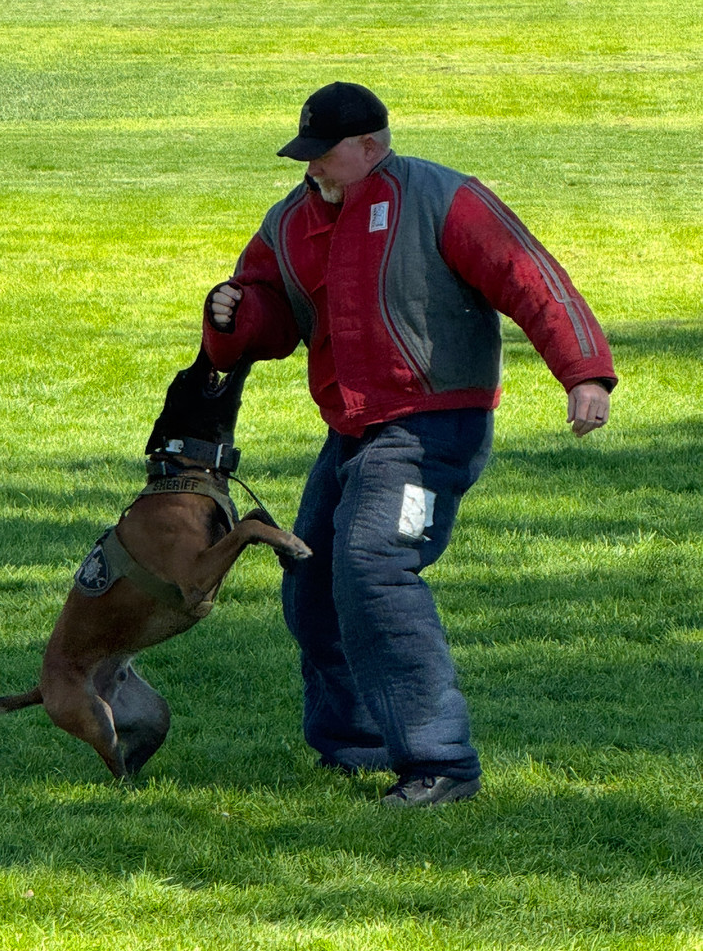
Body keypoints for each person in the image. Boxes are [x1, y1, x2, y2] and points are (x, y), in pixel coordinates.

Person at [201, 81, 617, 807]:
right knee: (311, 576)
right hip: (353, 427)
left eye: (323, 155)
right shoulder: (290, 220)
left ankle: (439, 764)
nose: (312, 169)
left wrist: (584, 373)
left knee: (373, 563)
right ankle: (355, 746)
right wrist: (234, 313)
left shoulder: (443, 197)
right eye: (305, 155)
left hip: (433, 423)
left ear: (370, 146)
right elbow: (270, 312)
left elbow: (531, 279)